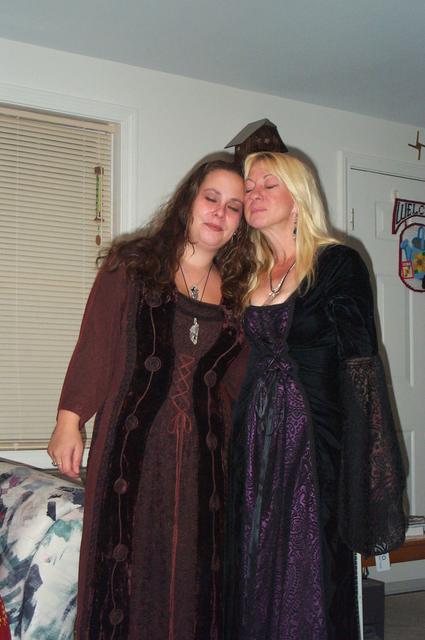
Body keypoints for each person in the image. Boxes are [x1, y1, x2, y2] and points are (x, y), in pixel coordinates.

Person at [48, 159, 255, 640]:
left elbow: (238, 386)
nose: (220, 212)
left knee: (196, 580)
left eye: (234, 207)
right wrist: (69, 419)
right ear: (188, 200)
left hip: (206, 465)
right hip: (129, 455)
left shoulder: (241, 295)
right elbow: (96, 344)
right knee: (124, 575)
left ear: (241, 224)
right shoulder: (133, 266)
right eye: (211, 198)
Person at [224, 152, 406, 640]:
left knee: (310, 560)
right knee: (253, 552)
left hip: (314, 438)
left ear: (298, 198)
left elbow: (360, 364)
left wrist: (366, 462)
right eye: (250, 186)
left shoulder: (337, 263)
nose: (254, 194)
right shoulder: (251, 273)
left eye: (269, 185)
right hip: (254, 436)